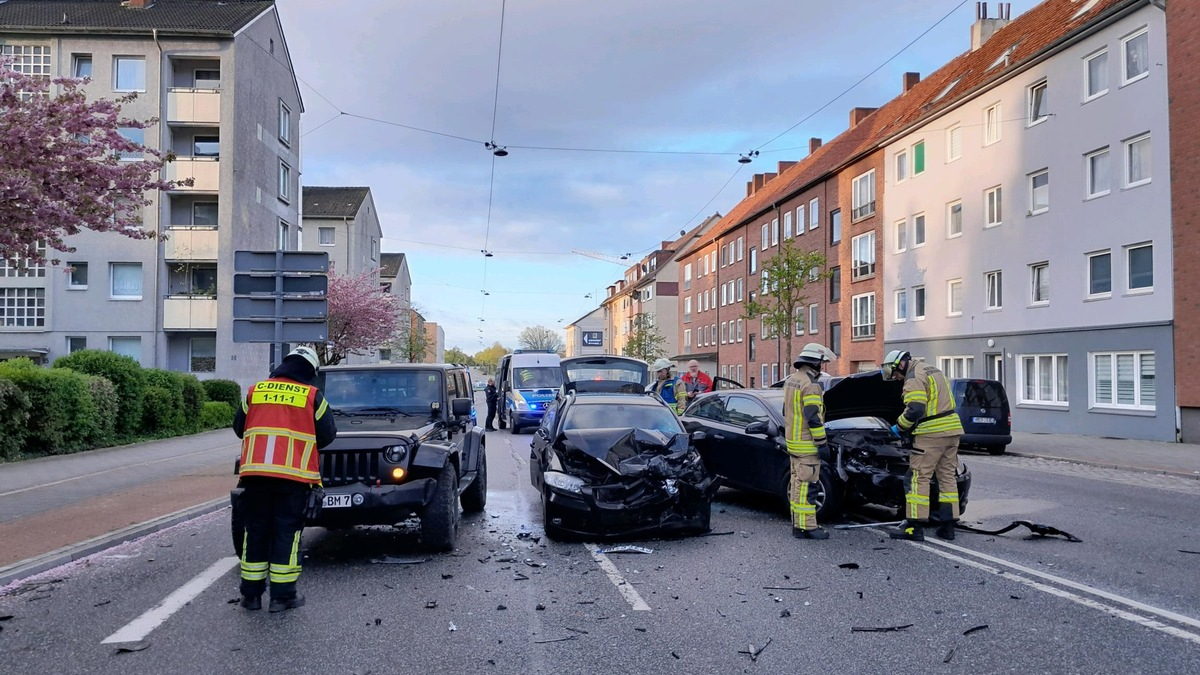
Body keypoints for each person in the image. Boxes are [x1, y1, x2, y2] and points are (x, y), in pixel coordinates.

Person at [233, 346, 337, 612]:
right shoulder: (312, 395)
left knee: (255, 532)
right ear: (310, 371)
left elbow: (238, 427)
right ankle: (282, 597)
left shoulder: (256, 391)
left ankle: (251, 596)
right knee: (286, 535)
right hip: (293, 478)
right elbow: (327, 435)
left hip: (255, 476)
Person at [880, 350, 964, 542]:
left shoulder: (913, 378)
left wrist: (899, 427)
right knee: (947, 478)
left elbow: (915, 409)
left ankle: (914, 527)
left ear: (900, 365)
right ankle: (948, 527)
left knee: (918, 478)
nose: (898, 379)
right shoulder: (932, 369)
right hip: (952, 430)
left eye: (896, 376)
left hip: (931, 433)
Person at [783, 343, 836, 540]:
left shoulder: (791, 381)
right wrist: (822, 443)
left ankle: (798, 525)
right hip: (807, 445)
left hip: (793, 443)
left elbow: (786, 412)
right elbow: (813, 416)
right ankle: (809, 528)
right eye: (822, 363)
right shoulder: (811, 385)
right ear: (815, 363)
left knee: (797, 485)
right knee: (809, 486)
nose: (822, 367)